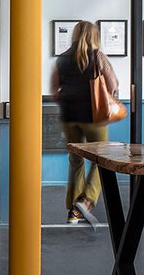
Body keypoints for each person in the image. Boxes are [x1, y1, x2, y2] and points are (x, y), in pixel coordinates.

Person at [49, 20, 119, 226]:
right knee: (102, 158)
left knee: (75, 161)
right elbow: (113, 83)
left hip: (70, 117)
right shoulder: (98, 56)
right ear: (93, 36)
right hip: (93, 117)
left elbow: (54, 90)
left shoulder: (62, 59)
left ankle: (74, 212)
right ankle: (86, 200)